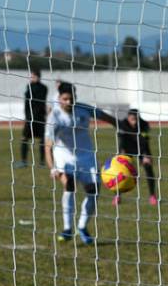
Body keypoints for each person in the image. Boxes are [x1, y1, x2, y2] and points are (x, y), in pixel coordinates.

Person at [44, 82, 117, 244]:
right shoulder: (54, 117)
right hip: (64, 156)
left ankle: (82, 226)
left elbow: (105, 116)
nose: (69, 102)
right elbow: (48, 147)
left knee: (93, 191)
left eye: (72, 99)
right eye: (65, 99)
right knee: (69, 185)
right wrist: (53, 168)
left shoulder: (83, 108)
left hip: (87, 157)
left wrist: (120, 125)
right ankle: (67, 228)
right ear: (59, 98)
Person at [114, 108, 157, 207]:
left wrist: (146, 155)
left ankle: (152, 195)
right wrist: (121, 154)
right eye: (132, 119)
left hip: (141, 148)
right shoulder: (122, 124)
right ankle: (117, 195)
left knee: (148, 168)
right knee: (121, 171)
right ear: (128, 118)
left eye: (135, 119)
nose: (134, 121)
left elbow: (145, 141)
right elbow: (122, 140)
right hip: (127, 148)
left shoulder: (144, 125)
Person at [16, 68, 49, 168]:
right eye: (31, 76)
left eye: (33, 76)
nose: (31, 78)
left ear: (38, 77)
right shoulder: (29, 86)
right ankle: (24, 161)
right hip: (30, 117)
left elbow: (38, 102)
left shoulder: (42, 88)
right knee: (24, 139)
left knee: (42, 140)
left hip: (38, 117)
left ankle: (42, 162)